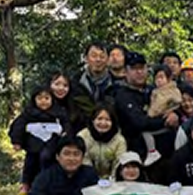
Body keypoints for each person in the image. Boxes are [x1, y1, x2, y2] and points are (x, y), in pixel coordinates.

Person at [113, 51, 179, 184]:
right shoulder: (121, 95)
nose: (139, 72)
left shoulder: (154, 90)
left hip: (166, 155)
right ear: (125, 71)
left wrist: (174, 114)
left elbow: (173, 103)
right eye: (134, 68)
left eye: (142, 68)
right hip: (140, 158)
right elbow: (139, 122)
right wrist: (164, 121)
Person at [9, 84, 69, 195]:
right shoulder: (29, 113)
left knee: (46, 158)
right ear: (34, 99)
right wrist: (17, 141)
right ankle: (25, 186)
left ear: (52, 99)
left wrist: (65, 133)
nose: (43, 101)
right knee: (30, 161)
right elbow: (18, 126)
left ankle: (47, 184)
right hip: (33, 144)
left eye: (46, 98)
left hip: (51, 144)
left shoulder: (58, 112)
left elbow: (66, 124)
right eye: (40, 98)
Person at [68, 41, 115, 135]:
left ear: (107, 60)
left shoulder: (116, 84)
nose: (98, 59)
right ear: (86, 58)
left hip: (111, 134)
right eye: (94, 56)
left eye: (102, 56)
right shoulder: (74, 83)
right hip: (80, 133)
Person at [143, 64, 183, 166]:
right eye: (156, 78)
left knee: (145, 131)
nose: (159, 80)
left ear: (168, 78)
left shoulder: (171, 91)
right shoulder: (154, 91)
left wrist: (171, 110)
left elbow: (174, 102)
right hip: (155, 120)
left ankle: (152, 152)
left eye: (161, 77)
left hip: (164, 122)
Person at [77, 102, 128, 179]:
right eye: (99, 119)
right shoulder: (82, 136)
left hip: (111, 180)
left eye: (107, 120)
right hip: (87, 178)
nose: (103, 123)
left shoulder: (119, 140)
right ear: (93, 120)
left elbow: (118, 165)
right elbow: (84, 162)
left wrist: (112, 181)